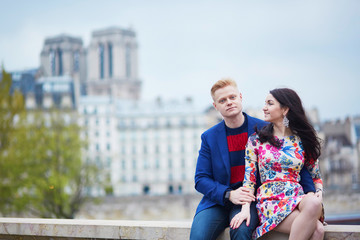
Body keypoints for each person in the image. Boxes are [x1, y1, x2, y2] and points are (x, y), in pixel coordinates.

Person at [190, 79, 316, 240]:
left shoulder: (265, 129)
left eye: (232, 97)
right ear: (216, 106)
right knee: (198, 236)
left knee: (241, 231)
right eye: (222, 100)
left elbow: (295, 163)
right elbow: (200, 179)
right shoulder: (209, 137)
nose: (229, 102)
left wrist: (311, 192)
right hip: (217, 201)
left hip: (252, 201)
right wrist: (229, 194)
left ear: (240, 97)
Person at [230, 88, 324, 240]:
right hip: (270, 200)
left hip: (297, 198)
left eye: (270, 103)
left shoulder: (302, 141)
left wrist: (319, 191)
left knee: (314, 202)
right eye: (265, 103)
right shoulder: (256, 140)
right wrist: (245, 209)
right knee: (317, 230)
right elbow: (249, 180)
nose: (264, 107)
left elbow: (316, 175)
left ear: (285, 109)